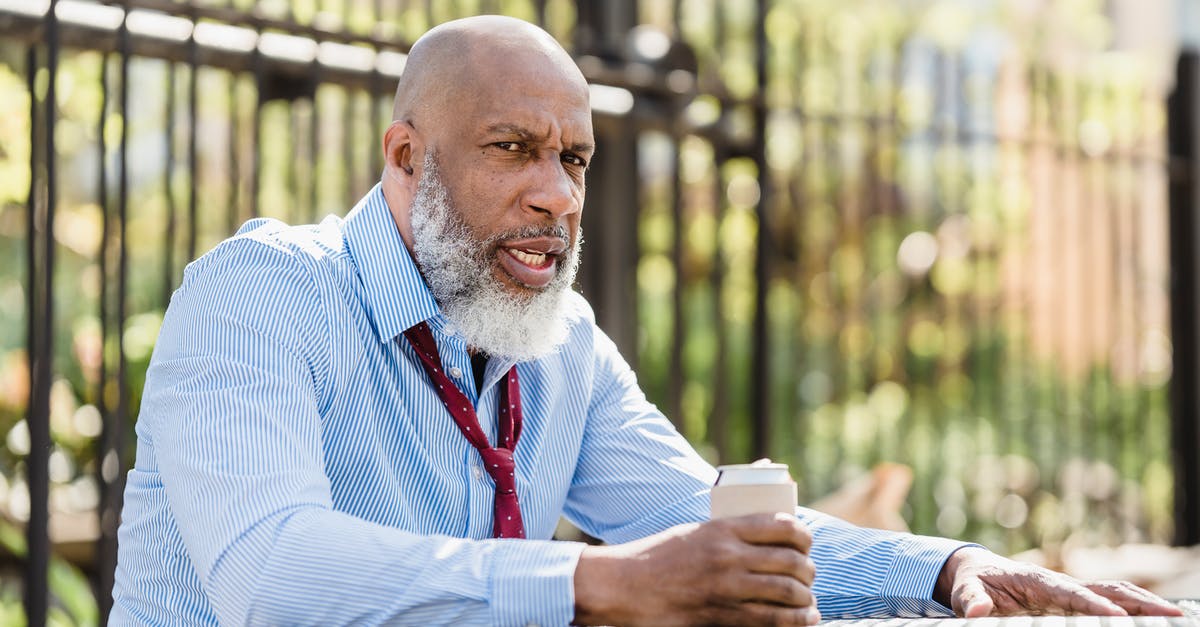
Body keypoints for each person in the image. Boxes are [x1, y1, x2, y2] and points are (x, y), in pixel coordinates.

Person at [109, 15, 1184, 627]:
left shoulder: (560, 345)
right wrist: (599, 581)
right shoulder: (259, 293)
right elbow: (273, 574)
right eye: (513, 150)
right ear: (404, 158)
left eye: (573, 159)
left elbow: (704, 527)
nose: (559, 197)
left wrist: (949, 570)